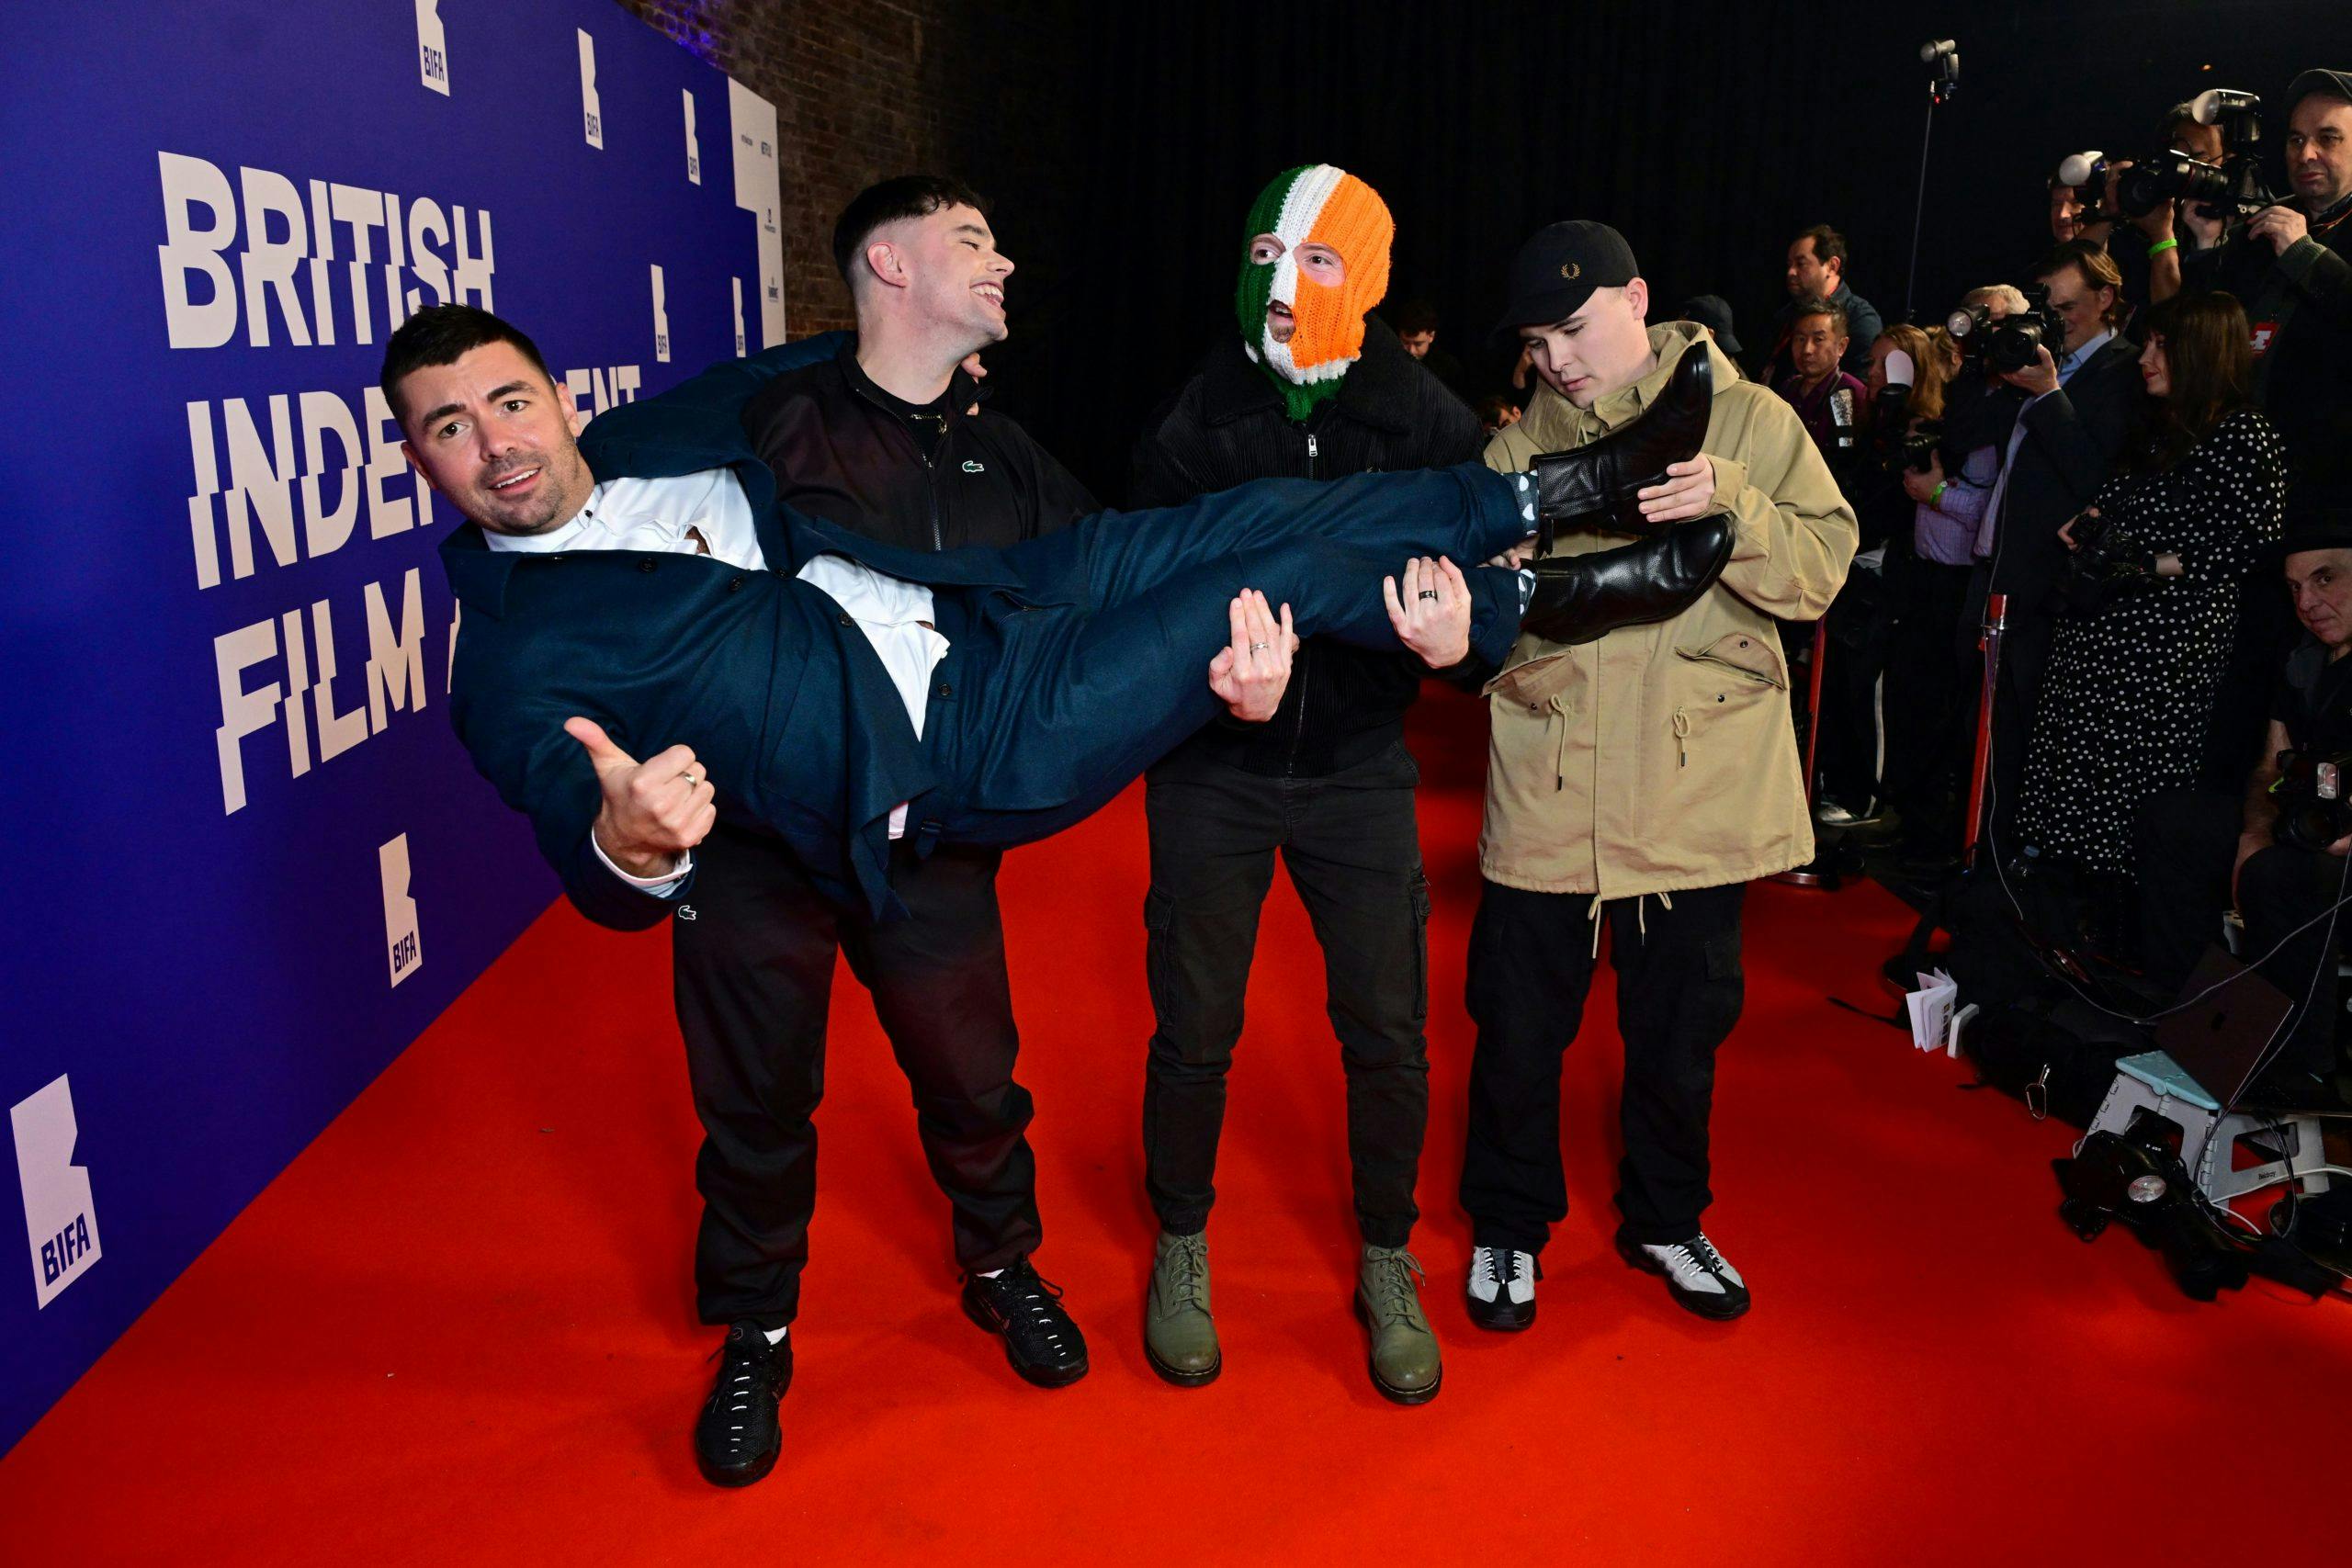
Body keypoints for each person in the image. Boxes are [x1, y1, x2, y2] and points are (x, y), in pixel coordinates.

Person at [386, 302, 1736, 1470]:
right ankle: (758, 1330)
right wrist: (632, 840)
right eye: (450, 426)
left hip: (960, 686)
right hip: (751, 855)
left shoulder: (648, 433)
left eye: (510, 399)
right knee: (755, 1106)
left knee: (976, 1069)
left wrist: (943, 323)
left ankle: (1552, 502)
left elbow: (832, 347)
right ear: (416, 458)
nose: (497, 441)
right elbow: (577, 833)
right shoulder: (504, 656)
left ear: (559, 396)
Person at [1125, 165, 1480, 1403]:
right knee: (1195, 1025)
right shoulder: (1197, 416)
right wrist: (1215, 680)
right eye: (1269, 248)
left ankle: (1388, 1257)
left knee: (1388, 1031)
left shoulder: (1428, 420)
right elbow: (1141, 597)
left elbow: (1494, 596)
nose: (1284, 283)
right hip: (1214, 772)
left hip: (1360, 772)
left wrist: (1463, 646)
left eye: (1319, 260)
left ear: (1369, 280)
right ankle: (1180, 1239)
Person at [1462, 220, 1857, 1329]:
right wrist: (1485, 581)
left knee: (1682, 1032)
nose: (1558, 360)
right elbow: (1475, 631)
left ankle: (1667, 1220)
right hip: (1552, 775)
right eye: (1538, 341)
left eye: (1575, 328)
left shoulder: (1749, 420)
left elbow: (1822, 577)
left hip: (1698, 783)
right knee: (1516, 1024)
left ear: (1638, 299)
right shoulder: (1510, 455)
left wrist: (1733, 501)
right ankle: (1505, 1226)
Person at [2014, 292, 2288, 953]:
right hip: (2097, 638)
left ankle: (2126, 944)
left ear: (2200, 352)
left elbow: (2252, 540)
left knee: (2140, 802)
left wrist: (2149, 565)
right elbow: (2110, 507)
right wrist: (2089, 537)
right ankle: (2066, 931)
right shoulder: (2156, 429)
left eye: (2164, 347)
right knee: (2074, 797)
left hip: (2165, 655)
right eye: (2149, 345)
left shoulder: (2245, 434)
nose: (2148, 359)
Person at [2136, 491, 2352, 1086]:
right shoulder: (2305, 659)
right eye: (2295, 586)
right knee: (2173, 821)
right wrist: (2254, 833)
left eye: (2326, 579)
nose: (2308, 601)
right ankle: (2190, 1018)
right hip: (2302, 830)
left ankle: (2299, 1069)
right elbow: (2269, 764)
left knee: (2287, 874)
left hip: (2331, 858)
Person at [1967, 243, 2146, 846]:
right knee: (1993, 740)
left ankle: (2023, 878)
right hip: (2005, 580)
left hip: (2060, 597)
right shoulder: (2042, 363)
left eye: (2069, 308)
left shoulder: (2124, 370)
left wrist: (2048, 394)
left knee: (2032, 751)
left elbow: (2098, 478)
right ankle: (1989, 863)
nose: (2058, 321)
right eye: (2050, 308)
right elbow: (1967, 435)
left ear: (2105, 299)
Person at [2171, 69, 2352, 486]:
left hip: (2334, 487)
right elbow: (2201, 343)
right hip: (2240, 476)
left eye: (2328, 138)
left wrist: (2304, 255)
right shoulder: (2260, 229)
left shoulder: (2284, 233)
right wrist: (2204, 246)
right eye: (2295, 139)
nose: (2305, 154)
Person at [1876, 305, 2007, 869]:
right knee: (1913, 706)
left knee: (1947, 718)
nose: (1959, 359)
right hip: (1922, 578)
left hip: (1964, 584)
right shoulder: (1943, 420)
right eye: (1953, 351)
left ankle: (1941, 843)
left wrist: (1934, 495)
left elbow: (1994, 510)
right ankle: (1913, 826)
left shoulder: (1992, 425)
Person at [1768, 225, 1881, 379]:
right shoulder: (1786, 315)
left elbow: (1862, 387)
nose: (1791, 272)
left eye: (1801, 264)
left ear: (1832, 266)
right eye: (1789, 264)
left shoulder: (1860, 318)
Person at [1775, 296, 1868, 476]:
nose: (1807, 349)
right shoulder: (1788, 388)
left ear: (1841, 346)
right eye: (1800, 339)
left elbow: (1843, 461)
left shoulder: (1845, 394)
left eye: (1818, 340)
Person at [1387, 296, 1475, 404]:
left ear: (1431, 336)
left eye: (1418, 344)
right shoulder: (1388, 362)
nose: (1411, 351)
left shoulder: (1449, 369)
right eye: (1405, 342)